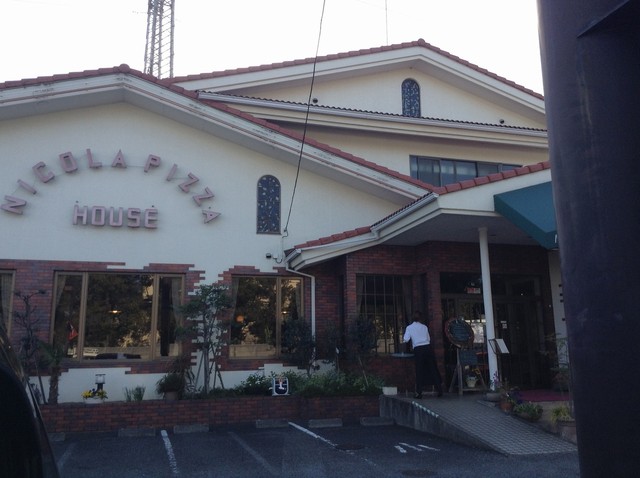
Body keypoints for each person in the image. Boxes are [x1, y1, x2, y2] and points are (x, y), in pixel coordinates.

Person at [403, 311, 443, 399]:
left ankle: (419, 392)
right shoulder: (424, 327)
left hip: (418, 349)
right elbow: (428, 339)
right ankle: (440, 389)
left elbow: (406, 339)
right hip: (427, 348)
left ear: (412, 318)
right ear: (420, 318)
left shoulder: (409, 328)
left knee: (419, 370)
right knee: (433, 368)